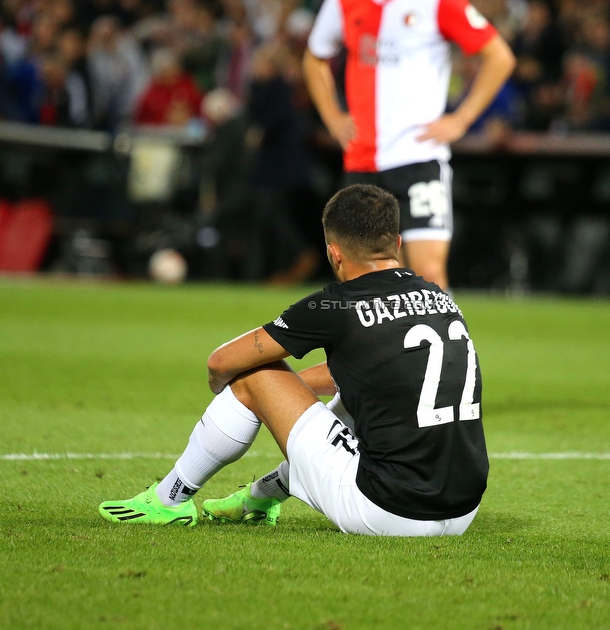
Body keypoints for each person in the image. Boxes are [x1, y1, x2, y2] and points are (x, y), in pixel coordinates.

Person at [99, 184, 488, 536]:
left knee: (255, 373)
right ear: (397, 243)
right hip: (462, 511)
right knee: (351, 402)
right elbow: (370, 373)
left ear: (334, 254)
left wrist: (252, 392)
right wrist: (289, 397)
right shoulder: (440, 298)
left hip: (388, 512)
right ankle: (258, 498)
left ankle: (168, 500)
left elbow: (221, 362)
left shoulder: (335, 303)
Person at [301, 0, 516, 291]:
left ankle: (445, 340)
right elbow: (314, 58)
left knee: (429, 274)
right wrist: (333, 117)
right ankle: (385, 341)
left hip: (419, 156)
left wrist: (462, 119)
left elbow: (499, 56)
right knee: (365, 280)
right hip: (363, 160)